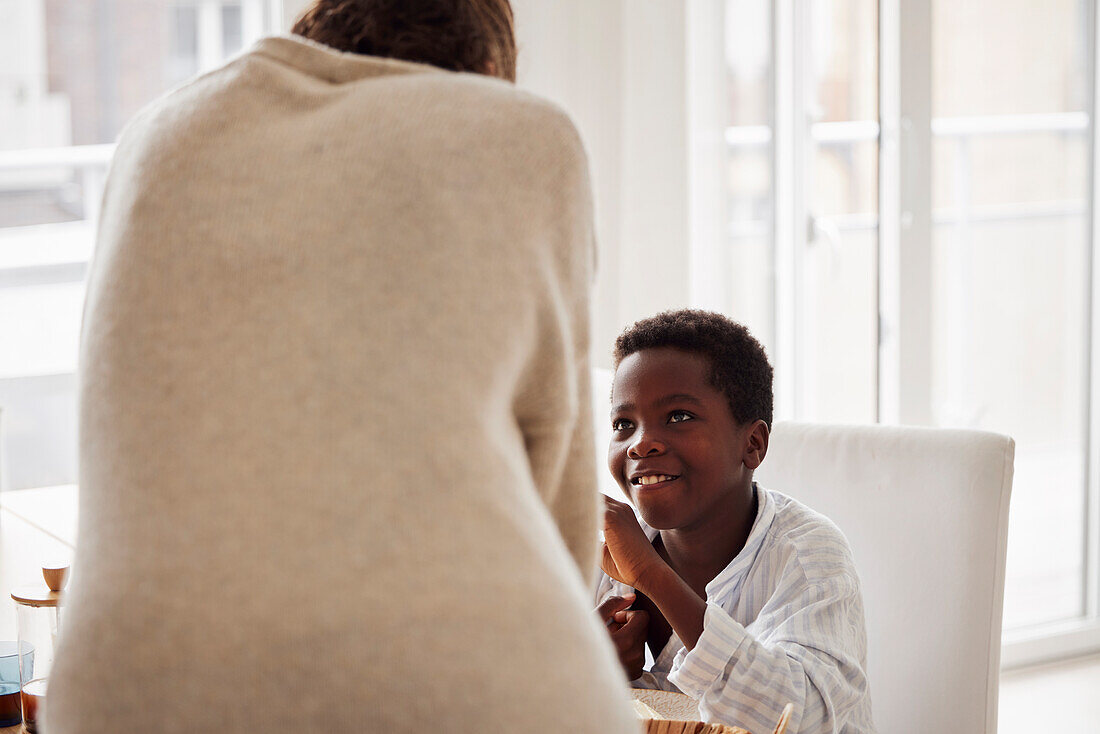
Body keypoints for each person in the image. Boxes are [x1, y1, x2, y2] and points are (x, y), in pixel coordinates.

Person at [48, 2, 638, 732]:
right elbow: (564, 518)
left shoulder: (157, 135)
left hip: (127, 691)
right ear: (486, 72)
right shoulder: (522, 134)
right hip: (461, 684)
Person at [595, 309, 876, 734]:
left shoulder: (809, 556)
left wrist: (653, 577)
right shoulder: (601, 553)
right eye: (623, 424)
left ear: (753, 444)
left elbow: (801, 721)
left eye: (678, 416)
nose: (641, 443)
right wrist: (590, 667)